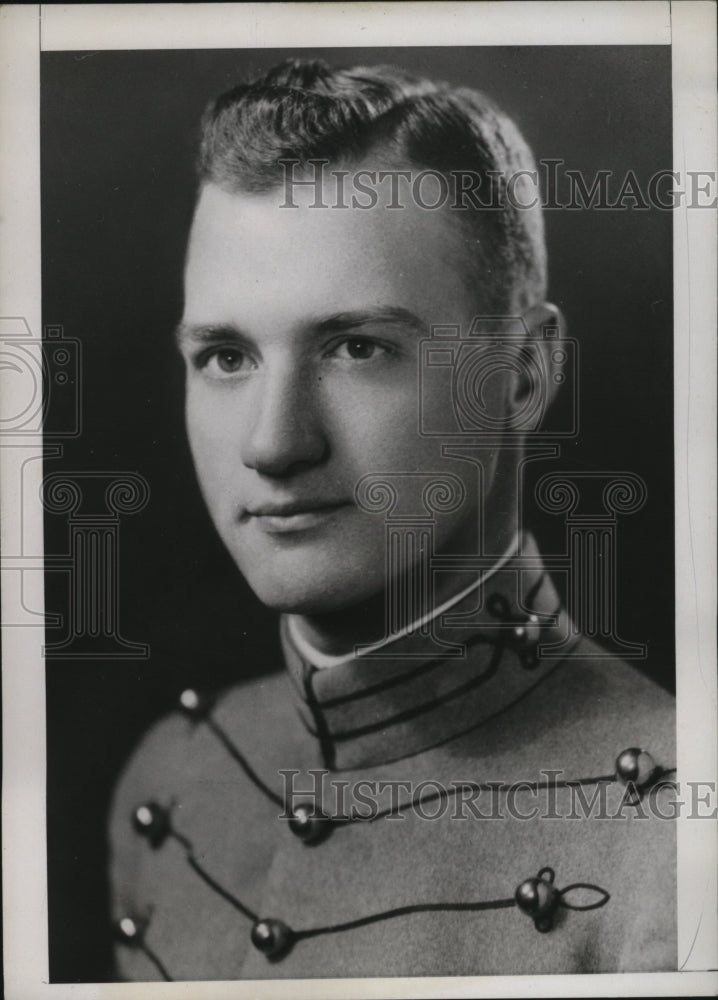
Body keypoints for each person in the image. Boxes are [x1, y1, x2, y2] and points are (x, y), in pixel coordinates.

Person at [108, 58, 676, 981]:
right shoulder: (178, 779)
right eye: (224, 356)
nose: (274, 444)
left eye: (356, 347)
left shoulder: (673, 850)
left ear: (524, 375)